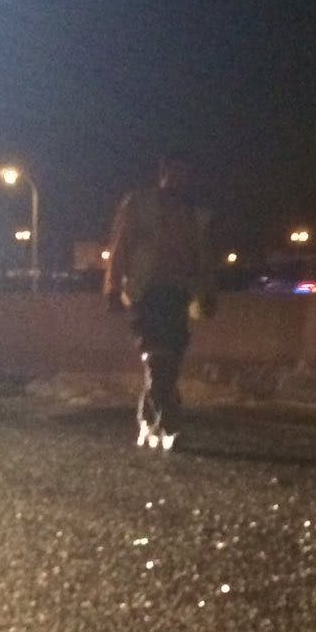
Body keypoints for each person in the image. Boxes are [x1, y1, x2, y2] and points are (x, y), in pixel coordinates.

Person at [102, 157, 216, 450]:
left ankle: (146, 421)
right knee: (158, 359)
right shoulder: (139, 204)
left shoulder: (194, 214)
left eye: (184, 173)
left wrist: (206, 293)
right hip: (145, 293)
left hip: (177, 294)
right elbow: (121, 243)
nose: (180, 178)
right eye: (174, 172)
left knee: (168, 364)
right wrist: (113, 287)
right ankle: (170, 425)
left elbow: (202, 259)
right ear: (162, 173)